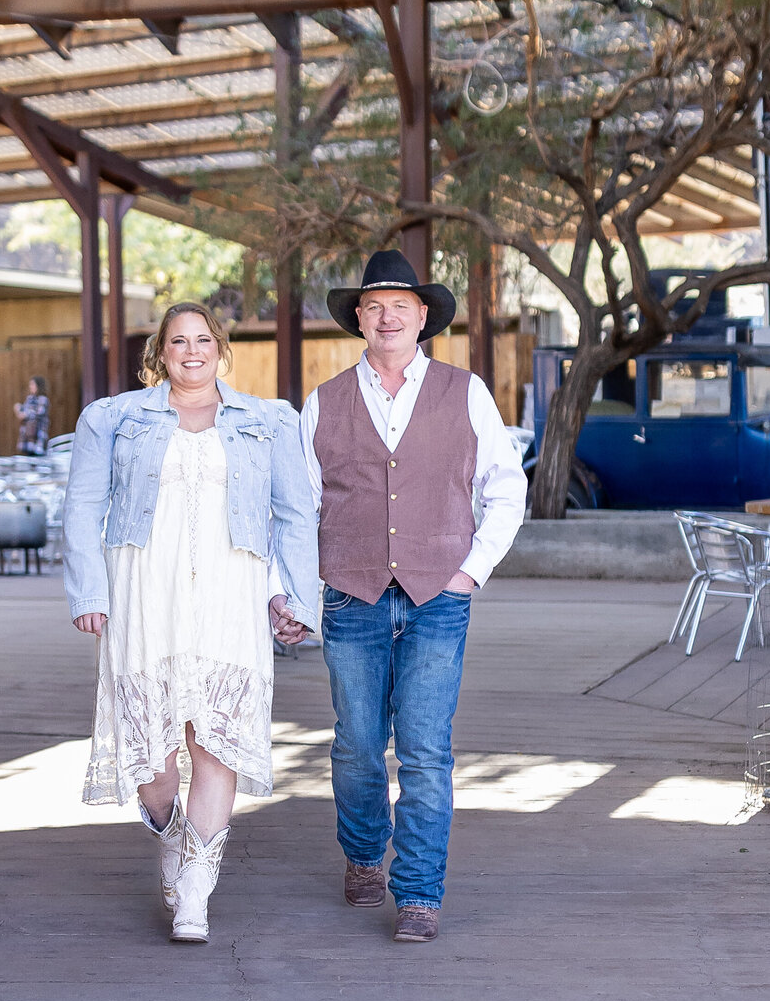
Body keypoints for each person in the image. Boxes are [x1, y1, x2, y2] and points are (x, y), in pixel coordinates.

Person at [63, 302, 318, 943]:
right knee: (151, 761)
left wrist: (296, 597)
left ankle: (196, 890)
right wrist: (88, 591)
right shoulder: (113, 420)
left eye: (203, 339)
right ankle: (170, 829)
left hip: (232, 590)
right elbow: (82, 508)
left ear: (221, 349)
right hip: (143, 588)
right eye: (179, 341)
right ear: (161, 352)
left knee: (216, 740)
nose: (192, 351)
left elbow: (294, 516)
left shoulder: (268, 422)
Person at [296, 249, 527, 944]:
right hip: (350, 596)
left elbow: (506, 491)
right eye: (375, 305)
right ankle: (364, 853)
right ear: (358, 320)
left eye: (401, 304)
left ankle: (420, 893)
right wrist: (298, 596)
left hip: (438, 598)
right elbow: (300, 509)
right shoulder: (324, 402)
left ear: (423, 317)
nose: (388, 315)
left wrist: (470, 571)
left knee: (425, 748)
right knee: (357, 745)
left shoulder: (467, 392)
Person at [15, 375, 50, 456]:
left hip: (38, 436)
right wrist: (18, 408)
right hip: (28, 437)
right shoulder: (29, 399)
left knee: (38, 458)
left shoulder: (43, 399)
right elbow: (23, 411)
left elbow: (37, 413)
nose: (30, 387)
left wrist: (24, 414)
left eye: (33, 384)